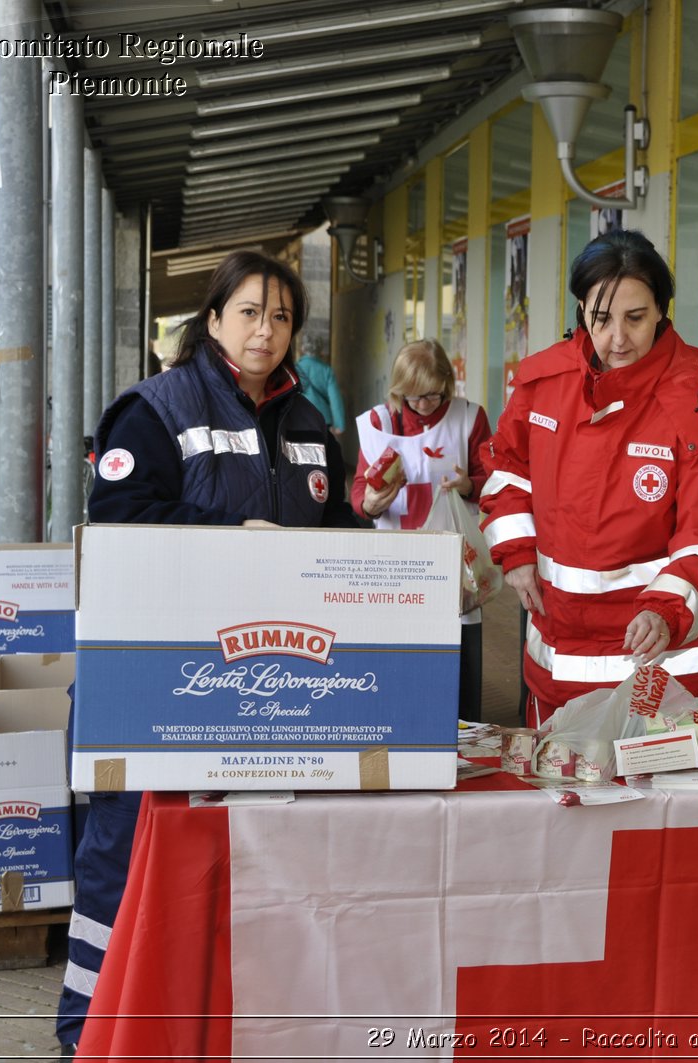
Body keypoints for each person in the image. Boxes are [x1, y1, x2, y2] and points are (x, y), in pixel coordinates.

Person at [55, 250, 357, 1057]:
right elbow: (118, 519)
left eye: (282, 316)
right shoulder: (153, 410)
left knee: (237, 870)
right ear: (214, 317)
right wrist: (233, 535)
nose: (266, 330)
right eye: (250, 311)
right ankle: (86, 1035)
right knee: (126, 862)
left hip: (272, 692)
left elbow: (340, 536)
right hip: (154, 684)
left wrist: (422, 567)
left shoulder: (307, 423)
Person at [479, 230, 698, 727]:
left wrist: (667, 612)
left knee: (663, 806)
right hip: (558, 659)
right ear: (581, 310)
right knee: (557, 795)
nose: (618, 339)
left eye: (636, 318)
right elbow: (508, 471)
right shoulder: (544, 385)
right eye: (601, 319)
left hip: (663, 670)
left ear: (661, 313)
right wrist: (517, 555)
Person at [352, 338, 492, 721]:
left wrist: (469, 486)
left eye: (432, 395)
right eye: (414, 398)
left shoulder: (468, 417)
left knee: (458, 663)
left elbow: (493, 483)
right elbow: (359, 492)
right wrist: (369, 504)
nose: (424, 406)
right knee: (399, 662)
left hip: (454, 562)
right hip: (396, 563)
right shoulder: (378, 423)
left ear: (446, 382)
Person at [295, 338, 346, 436]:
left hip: (298, 417)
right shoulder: (326, 370)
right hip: (322, 419)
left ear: (302, 349)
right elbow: (335, 398)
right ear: (320, 350)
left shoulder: (294, 369)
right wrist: (339, 424)